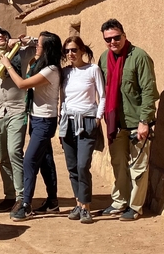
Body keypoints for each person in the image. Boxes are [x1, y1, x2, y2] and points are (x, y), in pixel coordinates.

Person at [98, 19, 159, 221]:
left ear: (124, 35)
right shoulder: (104, 58)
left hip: (136, 121)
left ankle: (135, 206)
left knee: (138, 167)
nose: (113, 42)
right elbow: (102, 90)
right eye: (108, 39)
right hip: (115, 123)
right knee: (118, 164)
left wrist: (145, 121)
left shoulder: (139, 57)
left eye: (116, 37)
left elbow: (149, 91)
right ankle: (119, 201)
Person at [0, 31, 62, 221]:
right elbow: (31, 65)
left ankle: (25, 205)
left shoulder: (51, 69)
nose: (36, 47)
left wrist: (8, 65)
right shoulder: (41, 64)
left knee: (29, 161)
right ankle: (53, 202)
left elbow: (22, 84)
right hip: (36, 119)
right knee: (46, 161)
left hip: (44, 121)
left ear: (47, 49)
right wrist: (27, 41)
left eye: (39, 45)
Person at [0, 25, 35, 214]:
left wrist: (21, 41)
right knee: (3, 157)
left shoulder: (19, 54)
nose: (0, 37)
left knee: (14, 153)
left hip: (17, 111)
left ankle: (22, 198)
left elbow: (37, 46)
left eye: (2, 33)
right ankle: (10, 196)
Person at [59, 36, 106, 223]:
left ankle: (86, 206)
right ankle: (79, 205)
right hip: (67, 122)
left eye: (74, 50)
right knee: (72, 167)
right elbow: (63, 98)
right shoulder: (65, 73)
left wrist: (97, 118)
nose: (71, 54)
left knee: (82, 165)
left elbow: (102, 95)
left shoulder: (93, 70)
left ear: (82, 51)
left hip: (87, 121)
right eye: (67, 51)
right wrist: (60, 118)